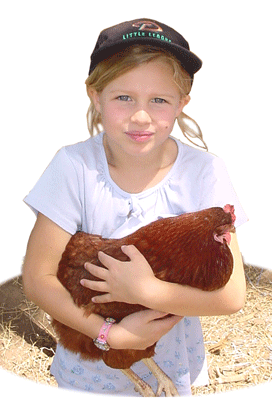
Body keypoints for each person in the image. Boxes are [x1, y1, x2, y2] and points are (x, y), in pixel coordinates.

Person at [22, 18, 248, 396]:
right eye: (123, 97)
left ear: (182, 104)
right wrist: (111, 333)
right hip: (86, 369)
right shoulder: (73, 168)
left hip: (171, 361)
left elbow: (231, 296)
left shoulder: (206, 172)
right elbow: (37, 278)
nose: (140, 116)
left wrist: (146, 291)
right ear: (96, 96)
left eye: (159, 100)